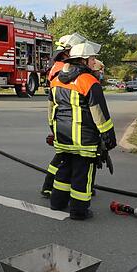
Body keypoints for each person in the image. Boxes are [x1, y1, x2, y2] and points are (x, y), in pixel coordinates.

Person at [48, 41, 115, 220]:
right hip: (84, 139)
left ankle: (57, 202)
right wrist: (109, 138)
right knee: (82, 174)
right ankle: (79, 211)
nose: (94, 62)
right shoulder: (88, 81)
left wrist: (53, 130)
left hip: (62, 136)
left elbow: (51, 109)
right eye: (92, 58)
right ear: (84, 60)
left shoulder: (56, 80)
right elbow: (99, 113)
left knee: (64, 169)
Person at [41, 34, 88, 199]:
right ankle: (50, 187)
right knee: (64, 157)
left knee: (63, 156)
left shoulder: (59, 66)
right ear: (69, 51)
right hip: (67, 120)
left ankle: (52, 187)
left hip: (60, 118)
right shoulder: (63, 68)